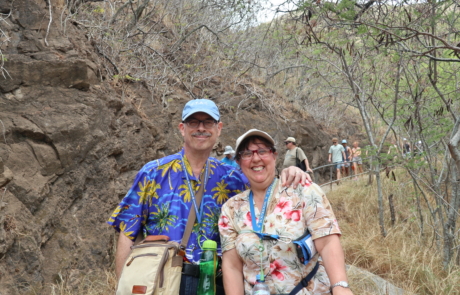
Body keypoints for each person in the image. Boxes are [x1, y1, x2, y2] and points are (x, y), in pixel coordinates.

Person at [107, 99, 311, 295]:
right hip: (162, 280)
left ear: (219, 128)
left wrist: (291, 172)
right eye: (194, 122)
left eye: (208, 122)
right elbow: (128, 231)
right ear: (182, 128)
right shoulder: (153, 173)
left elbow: (266, 190)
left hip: (216, 283)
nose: (201, 128)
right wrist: (124, 286)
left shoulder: (234, 178)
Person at [219, 129, 353, 295]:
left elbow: (327, 242)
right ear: (239, 161)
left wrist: (340, 286)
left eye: (262, 150)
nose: (255, 158)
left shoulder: (303, 190)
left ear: (274, 155)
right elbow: (232, 266)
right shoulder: (231, 209)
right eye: (247, 153)